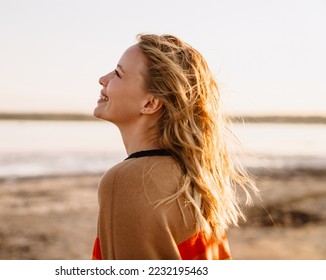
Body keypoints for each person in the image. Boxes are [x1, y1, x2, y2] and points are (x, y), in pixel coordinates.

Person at [92, 34, 258, 260]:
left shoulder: (127, 180)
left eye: (118, 74)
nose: (103, 79)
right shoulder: (193, 176)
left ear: (150, 103)